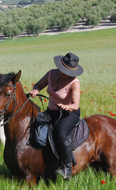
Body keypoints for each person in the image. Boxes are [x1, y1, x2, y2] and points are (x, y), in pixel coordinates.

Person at [29, 52, 83, 180]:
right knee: (36, 127)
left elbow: (75, 105)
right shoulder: (51, 73)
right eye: (64, 70)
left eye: (69, 72)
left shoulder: (75, 83)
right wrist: (35, 90)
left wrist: (67, 107)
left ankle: (67, 169)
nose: (66, 74)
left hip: (68, 114)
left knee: (60, 133)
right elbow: (38, 85)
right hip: (51, 111)